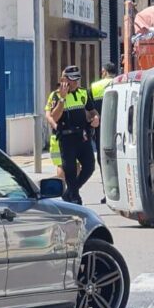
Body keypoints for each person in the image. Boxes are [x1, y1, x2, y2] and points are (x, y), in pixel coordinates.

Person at [48, 65, 99, 205]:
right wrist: (62, 99)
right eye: (72, 80)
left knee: (89, 167)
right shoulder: (55, 95)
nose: (75, 83)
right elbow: (54, 117)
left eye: (77, 80)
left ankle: (70, 192)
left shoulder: (83, 93)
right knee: (69, 170)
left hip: (82, 136)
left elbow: (92, 111)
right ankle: (75, 197)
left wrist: (95, 118)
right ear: (63, 80)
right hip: (66, 138)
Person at [91, 63, 116, 203]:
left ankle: (108, 192)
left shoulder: (95, 86)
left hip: (102, 130)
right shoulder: (122, 82)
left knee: (104, 160)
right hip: (120, 129)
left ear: (104, 72)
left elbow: (90, 110)